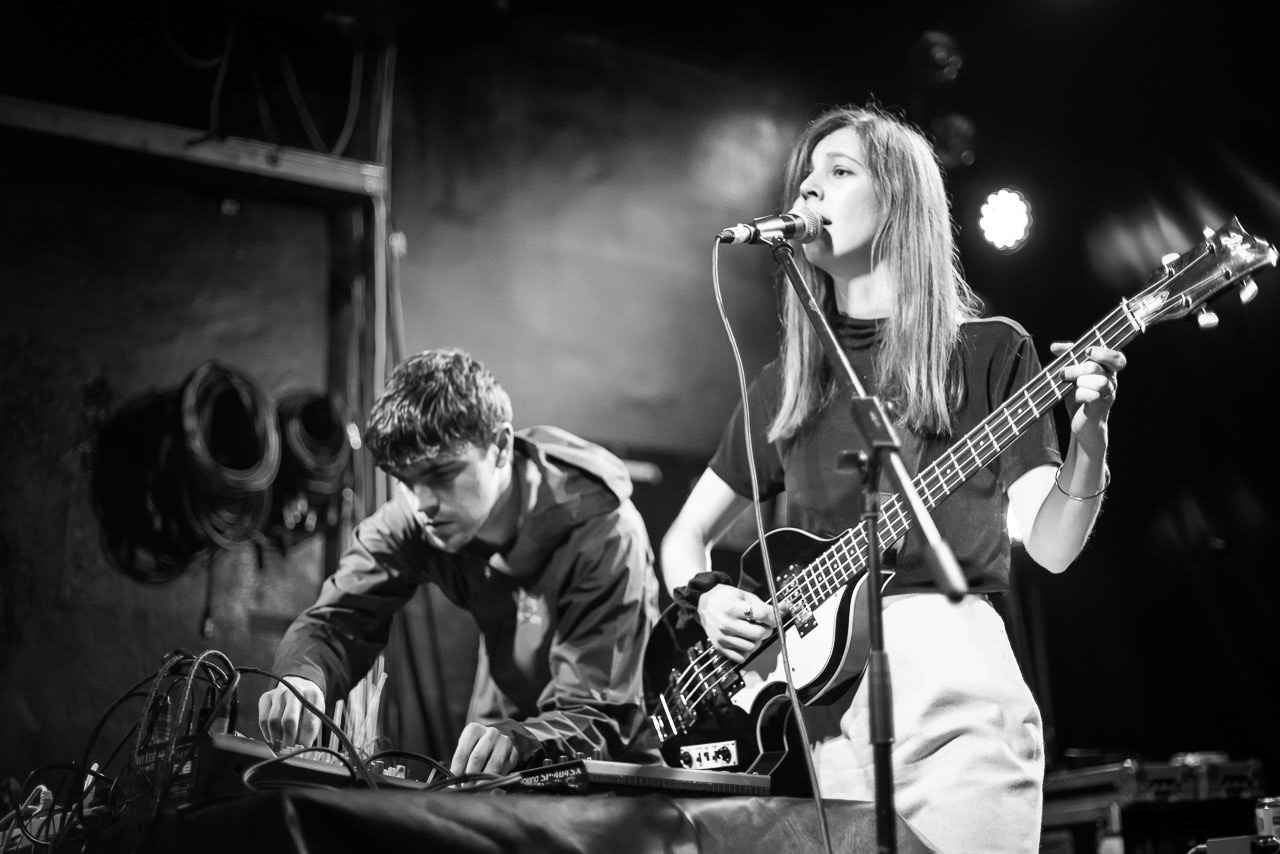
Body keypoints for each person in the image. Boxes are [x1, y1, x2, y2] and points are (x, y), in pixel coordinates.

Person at [661, 105, 1124, 853]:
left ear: (900, 200)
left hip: (954, 702)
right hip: (818, 728)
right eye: (804, 181)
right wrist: (707, 598)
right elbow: (684, 536)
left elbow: (1054, 546)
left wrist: (1090, 439)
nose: (809, 192)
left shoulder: (987, 351)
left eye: (839, 172)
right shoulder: (787, 386)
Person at [259, 348, 659, 778]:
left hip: (610, 776)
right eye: (405, 480)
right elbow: (336, 621)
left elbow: (600, 711)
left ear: (500, 446)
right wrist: (303, 675)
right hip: (498, 747)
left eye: (442, 475)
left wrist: (525, 741)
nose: (422, 503)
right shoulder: (415, 520)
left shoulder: (607, 537)